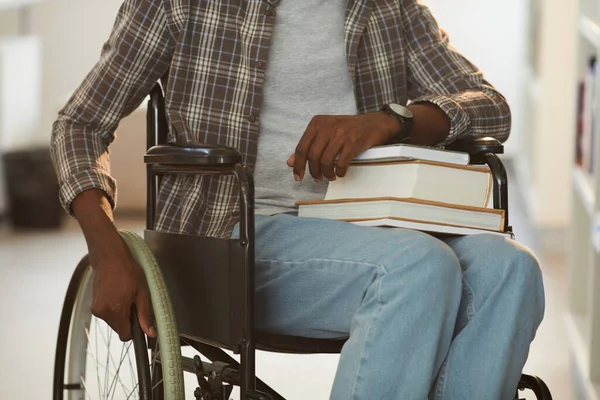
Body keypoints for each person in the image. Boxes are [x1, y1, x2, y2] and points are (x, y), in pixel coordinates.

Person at [50, 0, 545, 398]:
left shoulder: (384, 8)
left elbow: (489, 106)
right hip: (230, 238)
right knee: (418, 265)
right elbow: (80, 123)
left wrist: (392, 119)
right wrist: (106, 245)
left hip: (373, 229)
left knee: (511, 268)